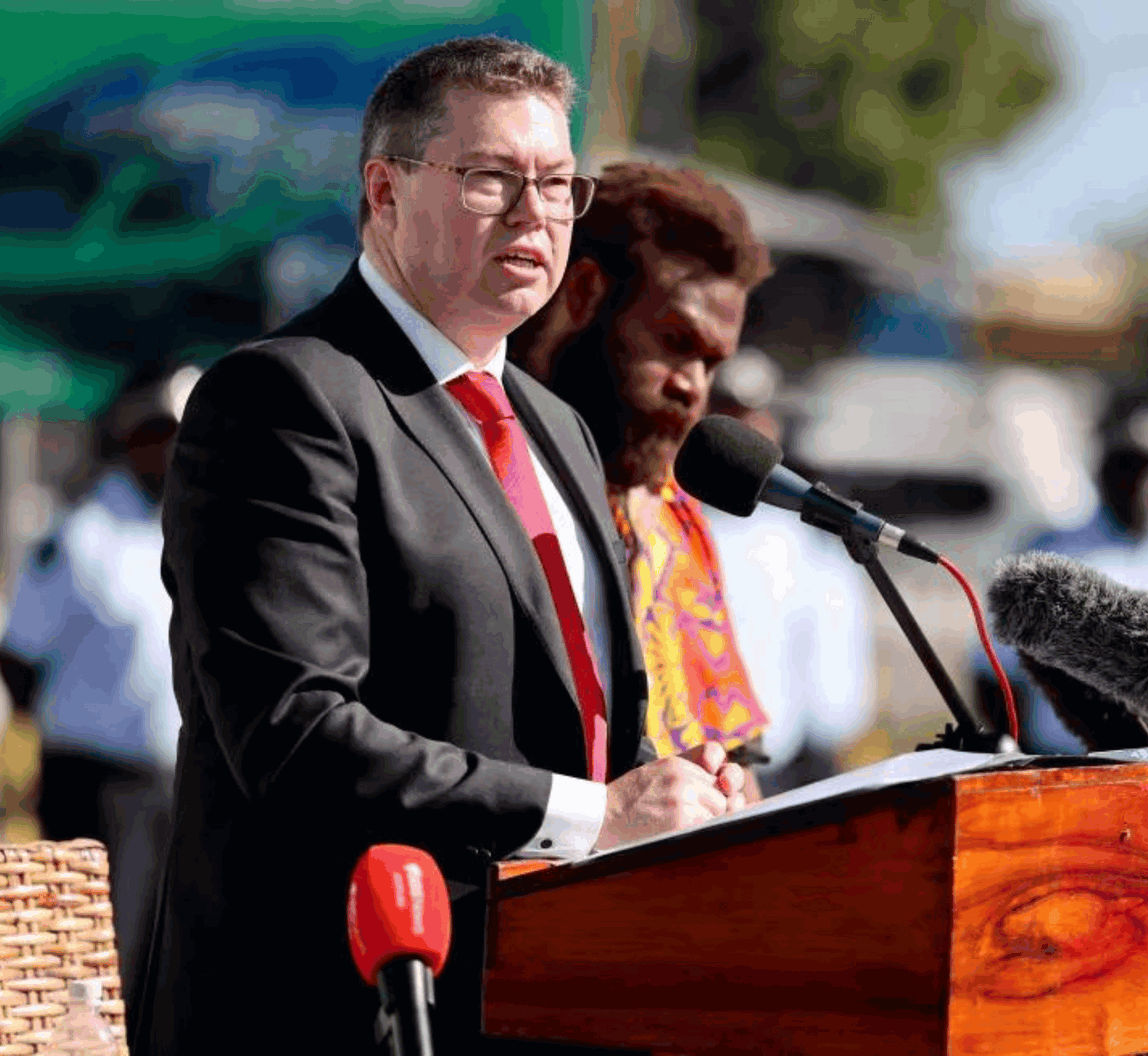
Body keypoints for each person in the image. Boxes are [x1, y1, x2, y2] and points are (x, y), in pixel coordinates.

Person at [135, 37, 749, 1056]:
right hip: (334, 1006)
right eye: (491, 178)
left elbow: (577, 730)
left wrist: (667, 790)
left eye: (557, 183)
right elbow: (293, 734)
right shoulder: (288, 397)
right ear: (383, 189)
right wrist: (591, 813)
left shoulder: (555, 425)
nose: (535, 212)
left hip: (548, 986)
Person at [512, 162, 775, 773]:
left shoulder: (676, 519)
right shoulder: (474, 469)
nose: (695, 391)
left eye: (713, 364)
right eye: (677, 342)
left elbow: (735, 757)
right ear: (582, 294)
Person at [0, 365, 194, 1009]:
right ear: (130, 437)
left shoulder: (188, 528)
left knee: (165, 966)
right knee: (95, 965)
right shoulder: (82, 534)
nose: (170, 449)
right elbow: (21, 658)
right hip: (99, 784)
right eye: (158, 432)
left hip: (180, 782)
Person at [975, 415, 1148, 758]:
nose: (1139, 480)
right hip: (1071, 769)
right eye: (1127, 465)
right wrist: (1018, 760)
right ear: (1102, 468)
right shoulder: (1050, 551)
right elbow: (991, 675)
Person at [696, 348, 877, 793]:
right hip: (694, 766)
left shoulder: (799, 535)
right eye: (728, 414)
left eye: (757, 416)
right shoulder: (664, 520)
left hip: (784, 766)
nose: (747, 429)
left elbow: (836, 681)